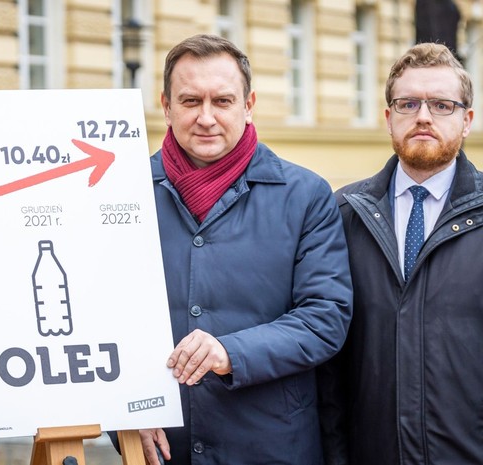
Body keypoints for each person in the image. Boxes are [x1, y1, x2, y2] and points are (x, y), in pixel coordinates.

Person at [134, 34, 352, 464]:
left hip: (272, 445)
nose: (206, 118)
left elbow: (325, 318)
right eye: (191, 101)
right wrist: (125, 408)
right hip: (166, 448)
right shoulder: (125, 192)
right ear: (166, 106)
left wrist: (231, 353)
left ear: (248, 105)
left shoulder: (305, 195)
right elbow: (100, 313)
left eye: (223, 101)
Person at [318, 43, 482, 464]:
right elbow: (328, 369)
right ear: (389, 118)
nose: (423, 116)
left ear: (466, 121)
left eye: (441, 105)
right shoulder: (343, 215)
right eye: (408, 104)